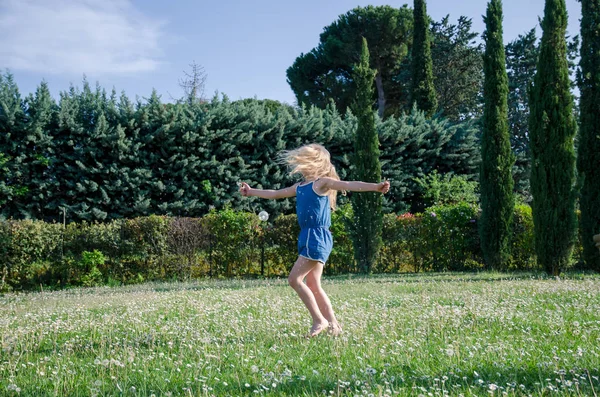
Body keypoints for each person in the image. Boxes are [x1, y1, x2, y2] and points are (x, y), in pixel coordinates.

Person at [239, 143, 390, 337]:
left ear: (312, 162)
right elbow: (276, 194)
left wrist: (376, 188)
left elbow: (348, 185)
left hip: (316, 238)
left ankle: (319, 321)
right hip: (308, 236)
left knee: (294, 279)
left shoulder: (322, 183)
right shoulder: (300, 186)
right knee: (313, 284)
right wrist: (252, 192)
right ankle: (334, 325)